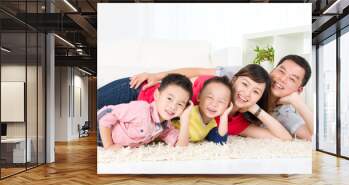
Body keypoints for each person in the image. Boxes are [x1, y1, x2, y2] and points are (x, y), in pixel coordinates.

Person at [129, 55, 313, 140]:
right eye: (281, 71)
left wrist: (296, 101)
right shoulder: (234, 77)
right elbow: (193, 74)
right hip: (141, 91)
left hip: (141, 120)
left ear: (299, 88)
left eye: (292, 79)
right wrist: (157, 76)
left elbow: (301, 137)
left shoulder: (243, 117)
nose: (282, 79)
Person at [98, 64, 292, 140]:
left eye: (256, 91)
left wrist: (256, 110)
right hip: (134, 92)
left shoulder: (238, 122)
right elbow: (191, 73)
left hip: (133, 126)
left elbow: (285, 139)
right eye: (244, 84)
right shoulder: (210, 86)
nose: (246, 93)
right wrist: (155, 75)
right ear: (234, 81)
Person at [97, 73, 193, 149]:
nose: (173, 106)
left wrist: (185, 120)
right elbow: (105, 114)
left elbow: (181, 148)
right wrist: (108, 146)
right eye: (169, 98)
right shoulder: (141, 109)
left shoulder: (164, 127)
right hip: (99, 130)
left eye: (180, 104)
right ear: (157, 95)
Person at [172, 76, 234, 145]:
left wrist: (224, 116)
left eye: (221, 101)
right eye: (210, 97)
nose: (214, 104)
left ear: (227, 106)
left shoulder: (212, 125)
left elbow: (220, 141)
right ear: (199, 97)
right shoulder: (188, 110)